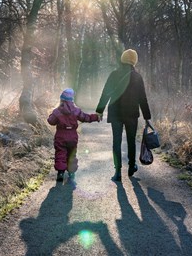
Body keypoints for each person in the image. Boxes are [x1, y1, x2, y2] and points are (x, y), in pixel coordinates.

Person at [96, 49, 151, 182]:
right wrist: (147, 117)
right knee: (131, 141)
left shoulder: (114, 74)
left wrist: (99, 110)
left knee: (116, 142)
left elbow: (106, 93)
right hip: (131, 114)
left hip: (116, 113)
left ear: (122, 59)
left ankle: (117, 172)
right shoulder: (137, 77)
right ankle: (132, 167)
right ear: (134, 61)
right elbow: (142, 98)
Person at [48, 88, 101, 183]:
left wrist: (51, 116)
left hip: (61, 135)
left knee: (60, 153)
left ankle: (60, 173)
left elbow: (51, 121)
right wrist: (96, 117)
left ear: (61, 99)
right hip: (72, 136)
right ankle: (71, 173)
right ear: (72, 100)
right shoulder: (76, 111)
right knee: (71, 154)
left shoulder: (57, 111)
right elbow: (86, 117)